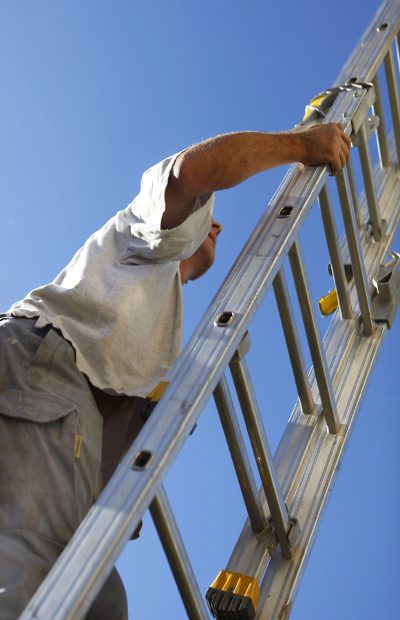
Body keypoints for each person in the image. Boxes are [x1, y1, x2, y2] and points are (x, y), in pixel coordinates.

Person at [0, 124, 351, 619]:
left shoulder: (158, 312)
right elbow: (193, 173)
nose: (218, 227)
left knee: (98, 602)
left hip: (57, 408)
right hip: (46, 371)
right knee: (28, 572)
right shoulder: (149, 229)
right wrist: (302, 146)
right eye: (210, 219)